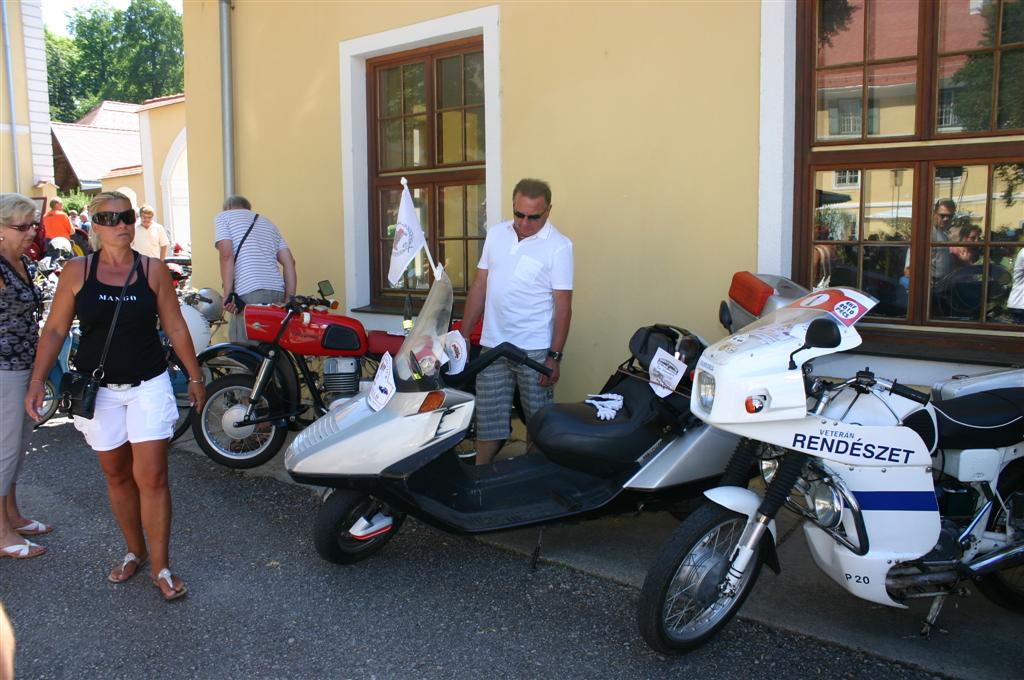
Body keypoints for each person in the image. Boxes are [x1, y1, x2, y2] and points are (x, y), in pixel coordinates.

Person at [24, 191, 206, 601]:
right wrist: (37, 381)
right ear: (94, 226)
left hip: (148, 384)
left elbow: (176, 327)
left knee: (153, 477)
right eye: (109, 218)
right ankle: (134, 551)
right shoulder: (76, 271)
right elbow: (53, 330)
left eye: (126, 216)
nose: (120, 224)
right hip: (97, 391)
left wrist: (195, 378)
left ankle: (160, 565)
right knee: (116, 474)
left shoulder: (153, 270)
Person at [459, 178, 573, 465]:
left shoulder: (559, 247)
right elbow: (480, 286)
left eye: (533, 216)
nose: (524, 222)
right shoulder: (496, 234)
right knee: (489, 422)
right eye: (519, 214)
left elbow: (563, 306)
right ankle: (480, 477)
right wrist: (462, 334)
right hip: (493, 346)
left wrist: (554, 356)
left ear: (548, 210)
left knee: (538, 425)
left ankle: (532, 484)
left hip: (534, 351)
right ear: (513, 206)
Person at [0, 193, 50, 560]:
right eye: (22, 226)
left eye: (33, 224)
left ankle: (12, 515)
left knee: (17, 446)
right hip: (3, 368)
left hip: (24, 366)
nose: (31, 231)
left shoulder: (21, 262)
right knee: (4, 448)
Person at [214, 195, 297, 343]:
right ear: (248, 208)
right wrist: (288, 299)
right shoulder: (268, 223)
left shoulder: (223, 217)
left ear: (227, 208)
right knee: (272, 348)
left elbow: (226, 255)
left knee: (245, 352)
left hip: (250, 292)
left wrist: (227, 294)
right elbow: (290, 262)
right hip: (276, 292)